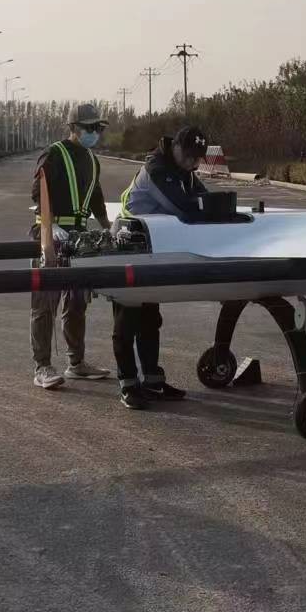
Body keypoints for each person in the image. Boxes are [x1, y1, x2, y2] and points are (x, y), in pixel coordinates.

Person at [112, 125, 211, 410]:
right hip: (128, 246)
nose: (193, 163)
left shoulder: (183, 171)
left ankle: (153, 381)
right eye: (189, 156)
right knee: (127, 318)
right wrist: (209, 209)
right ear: (175, 147)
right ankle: (128, 384)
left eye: (198, 158)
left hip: (149, 247)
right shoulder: (157, 169)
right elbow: (181, 207)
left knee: (150, 317)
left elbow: (204, 198)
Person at [29, 105, 113, 390]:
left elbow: (96, 197)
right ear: (74, 128)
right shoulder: (54, 154)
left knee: (77, 301)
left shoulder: (91, 159)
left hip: (79, 236)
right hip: (50, 234)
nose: (95, 133)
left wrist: (107, 226)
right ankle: (42, 366)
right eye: (90, 128)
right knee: (46, 302)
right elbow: (38, 193)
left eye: (98, 128)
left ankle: (76, 363)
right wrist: (49, 226)